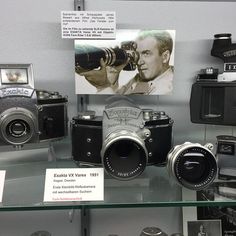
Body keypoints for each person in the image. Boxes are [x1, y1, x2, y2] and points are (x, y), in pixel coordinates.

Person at [78, 30, 174, 95]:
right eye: (136, 54)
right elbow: (114, 101)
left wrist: (103, 86)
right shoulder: (139, 80)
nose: (139, 62)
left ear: (165, 56)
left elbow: (123, 114)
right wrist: (112, 79)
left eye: (146, 53)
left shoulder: (167, 88)